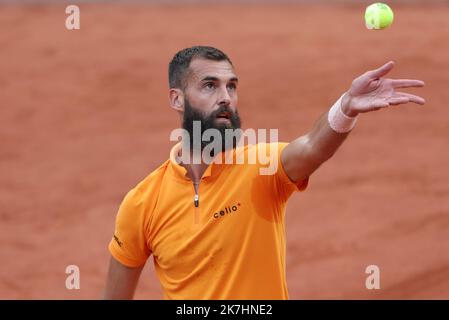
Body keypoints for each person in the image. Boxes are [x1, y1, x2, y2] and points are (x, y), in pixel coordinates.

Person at [103, 46, 425, 299]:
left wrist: (346, 107)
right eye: (209, 86)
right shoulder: (142, 203)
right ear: (177, 98)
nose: (225, 97)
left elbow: (312, 147)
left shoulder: (261, 167)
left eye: (231, 86)